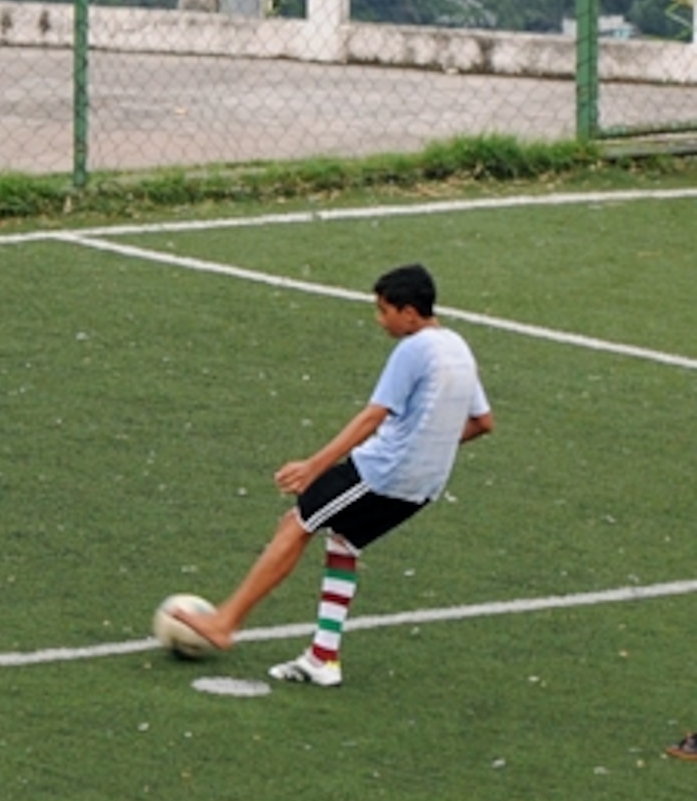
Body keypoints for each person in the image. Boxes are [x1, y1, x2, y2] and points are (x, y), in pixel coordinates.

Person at [177, 262, 491, 686]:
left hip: (383, 472)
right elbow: (482, 422)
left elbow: (371, 418)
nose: (380, 320)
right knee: (343, 540)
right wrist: (428, 443)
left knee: (295, 524)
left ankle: (224, 623)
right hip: (424, 487)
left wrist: (314, 465)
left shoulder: (414, 349)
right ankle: (323, 658)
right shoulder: (459, 348)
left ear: (410, 314)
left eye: (384, 311)